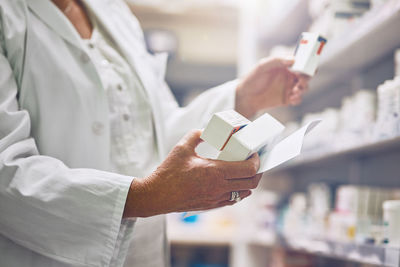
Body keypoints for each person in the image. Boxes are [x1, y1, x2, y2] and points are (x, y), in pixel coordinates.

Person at [0, 0, 309, 266]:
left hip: (144, 253)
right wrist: (144, 197)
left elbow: (159, 131)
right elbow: (6, 172)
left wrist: (244, 97)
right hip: (53, 255)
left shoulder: (114, 13)